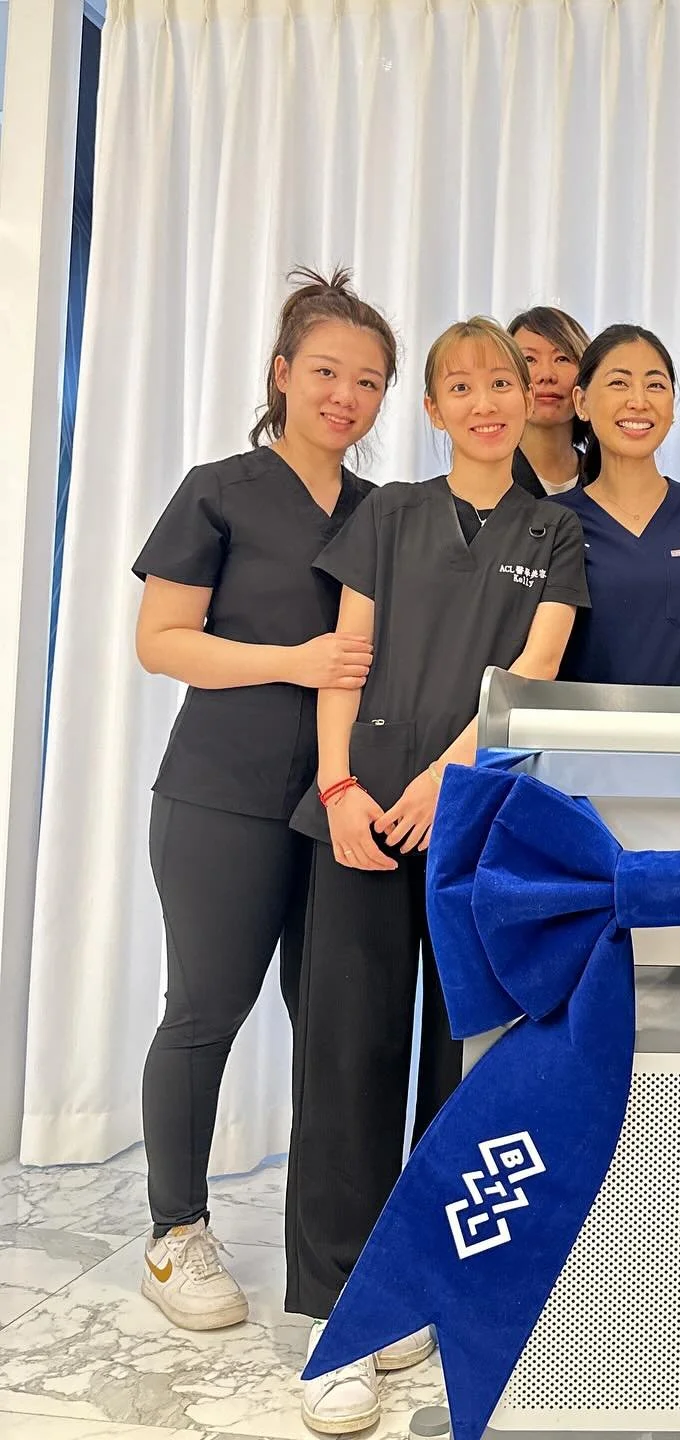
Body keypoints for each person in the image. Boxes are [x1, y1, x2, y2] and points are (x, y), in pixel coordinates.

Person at [286, 317, 589, 1435]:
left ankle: (425, 1284)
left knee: (460, 1070)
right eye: (457, 386)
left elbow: (533, 673)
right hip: (362, 819)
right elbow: (344, 658)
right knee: (348, 1062)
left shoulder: (555, 532)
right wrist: (339, 789)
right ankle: (338, 1316)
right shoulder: (387, 515)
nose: (483, 402)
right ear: (432, 408)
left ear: (526, 394)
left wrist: (445, 780)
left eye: (499, 381)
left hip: (479, 825)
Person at [131, 267, 395, 1333]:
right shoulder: (217, 489)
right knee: (204, 1011)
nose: (346, 395)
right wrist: (298, 658)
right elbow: (160, 642)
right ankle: (175, 1235)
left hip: (343, 805)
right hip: (224, 796)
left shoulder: (387, 514)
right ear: (282, 375)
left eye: (369, 381)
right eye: (326, 371)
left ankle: (337, 1243)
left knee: (336, 1026)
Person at [554, 323, 680, 684]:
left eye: (655, 385)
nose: (639, 400)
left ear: (673, 407)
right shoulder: (555, 519)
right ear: (581, 403)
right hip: (578, 733)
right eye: (619, 383)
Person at [508, 305, 592, 496]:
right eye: (529, 359)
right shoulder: (486, 483)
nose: (546, 375)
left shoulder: (606, 482)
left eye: (562, 358)